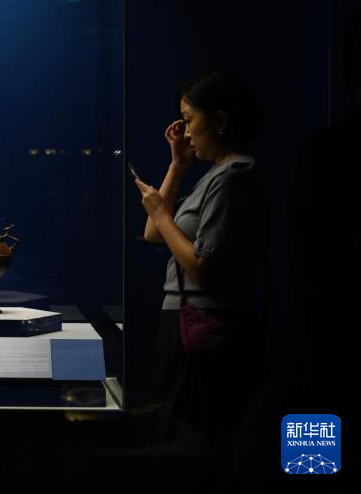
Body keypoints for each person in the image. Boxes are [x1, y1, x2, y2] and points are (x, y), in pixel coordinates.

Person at [133, 70, 267, 456]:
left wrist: (161, 213)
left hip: (205, 329)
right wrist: (177, 165)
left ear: (219, 119)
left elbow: (203, 269)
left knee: (193, 443)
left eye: (189, 119)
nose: (186, 131)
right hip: (185, 324)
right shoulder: (214, 176)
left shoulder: (235, 175)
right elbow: (153, 233)